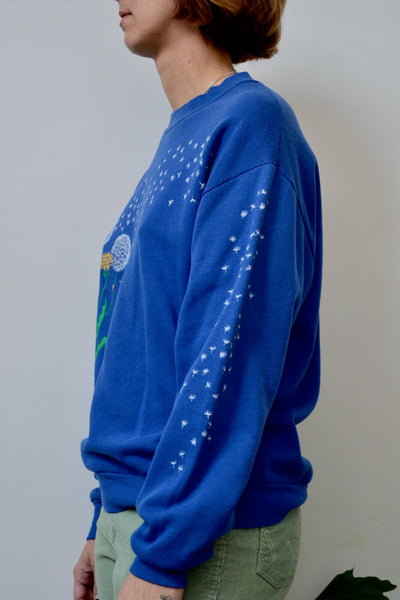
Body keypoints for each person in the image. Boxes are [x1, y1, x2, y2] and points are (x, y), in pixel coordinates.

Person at [73, 0, 323, 599]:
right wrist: (104, 517)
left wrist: (163, 555)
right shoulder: (184, 135)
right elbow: (137, 352)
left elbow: (229, 355)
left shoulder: (250, 124)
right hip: (140, 518)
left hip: (202, 538)